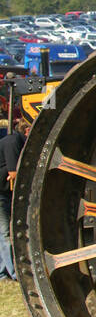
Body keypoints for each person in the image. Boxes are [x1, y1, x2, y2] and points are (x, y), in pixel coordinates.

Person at [0, 114, 28, 282]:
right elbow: (14, 173)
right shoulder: (13, 142)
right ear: (27, 130)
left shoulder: (13, 140)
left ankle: (3, 272)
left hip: (3, 193)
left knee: (3, 233)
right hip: (2, 194)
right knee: (5, 233)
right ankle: (15, 273)